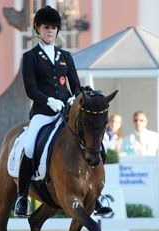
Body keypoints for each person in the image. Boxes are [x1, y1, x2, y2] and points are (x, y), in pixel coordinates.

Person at [14, 6, 112, 216]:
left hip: (66, 112)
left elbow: (75, 86)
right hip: (42, 113)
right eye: (46, 27)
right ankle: (22, 197)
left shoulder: (65, 56)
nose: (50, 31)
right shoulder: (30, 56)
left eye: (53, 28)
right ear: (38, 29)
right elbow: (31, 88)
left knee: (95, 144)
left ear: (57, 31)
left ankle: (97, 194)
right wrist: (48, 100)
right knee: (30, 147)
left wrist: (73, 99)